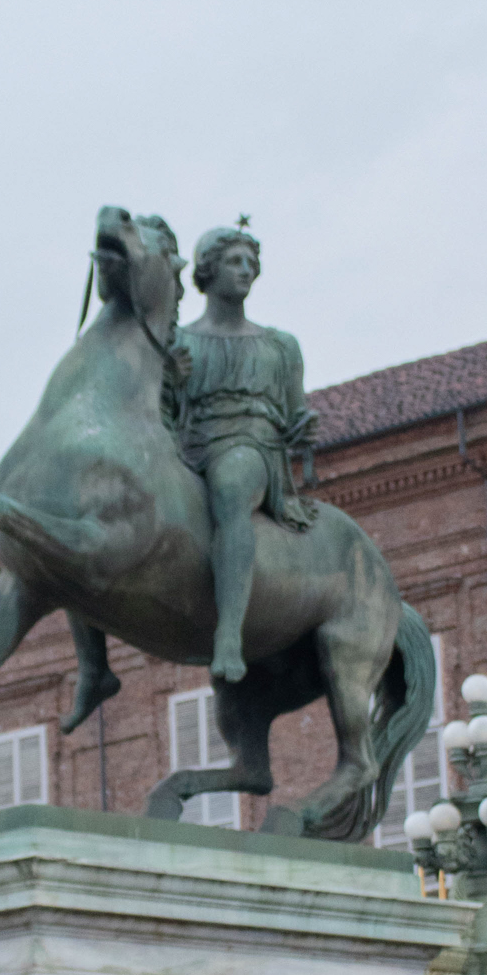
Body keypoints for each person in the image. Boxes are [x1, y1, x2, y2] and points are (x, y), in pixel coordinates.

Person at [165, 223, 318, 682]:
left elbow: (295, 416)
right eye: (235, 261)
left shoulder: (280, 346)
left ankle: (229, 634)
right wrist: (169, 380)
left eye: (252, 263)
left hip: (253, 445)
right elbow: (160, 410)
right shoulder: (179, 342)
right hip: (190, 444)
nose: (246, 270)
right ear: (208, 270)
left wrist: (303, 428)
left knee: (231, 487)